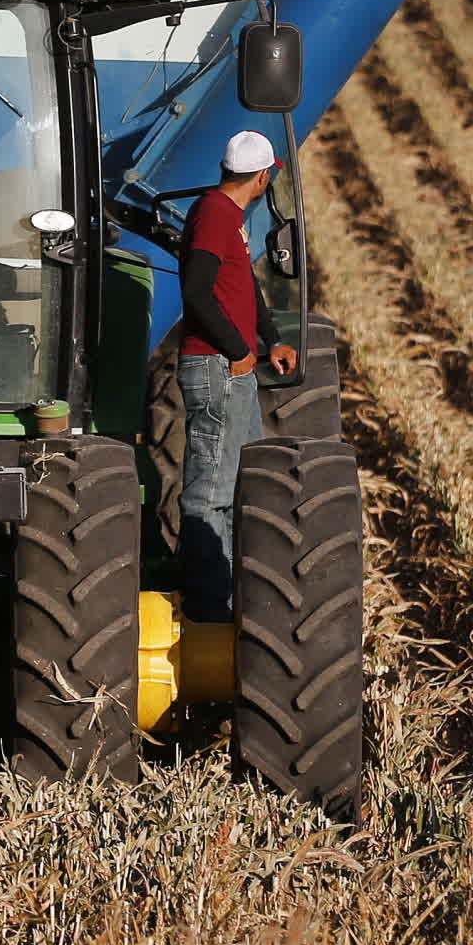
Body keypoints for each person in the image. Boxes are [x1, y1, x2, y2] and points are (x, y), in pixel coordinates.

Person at [177, 129, 299, 622]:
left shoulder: (231, 219)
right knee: (210, 496)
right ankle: (207, 614)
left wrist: (272, 340)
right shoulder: (212, 215)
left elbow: (243, 287)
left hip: (235, 367)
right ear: (265, 176)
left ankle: (231, 602)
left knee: (239, 490)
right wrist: (237, 349)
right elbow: (196, 291)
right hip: (218, 367)